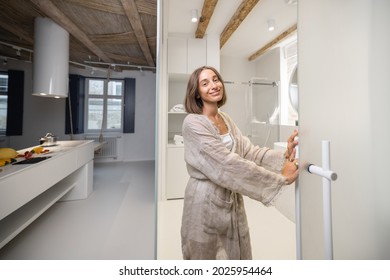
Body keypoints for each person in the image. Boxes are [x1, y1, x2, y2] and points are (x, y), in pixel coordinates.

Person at [180, 66, 299, 260]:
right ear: (196, 92)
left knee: (237, 255)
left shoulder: (225, 118)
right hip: (205, 202)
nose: (214, 85)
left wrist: (284, 156)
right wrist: (279, 179)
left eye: (216, 79)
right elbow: (225, 164)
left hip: (231, 199)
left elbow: (249, 152)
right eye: (205, 83)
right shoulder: (193, 123)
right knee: (207, 255)